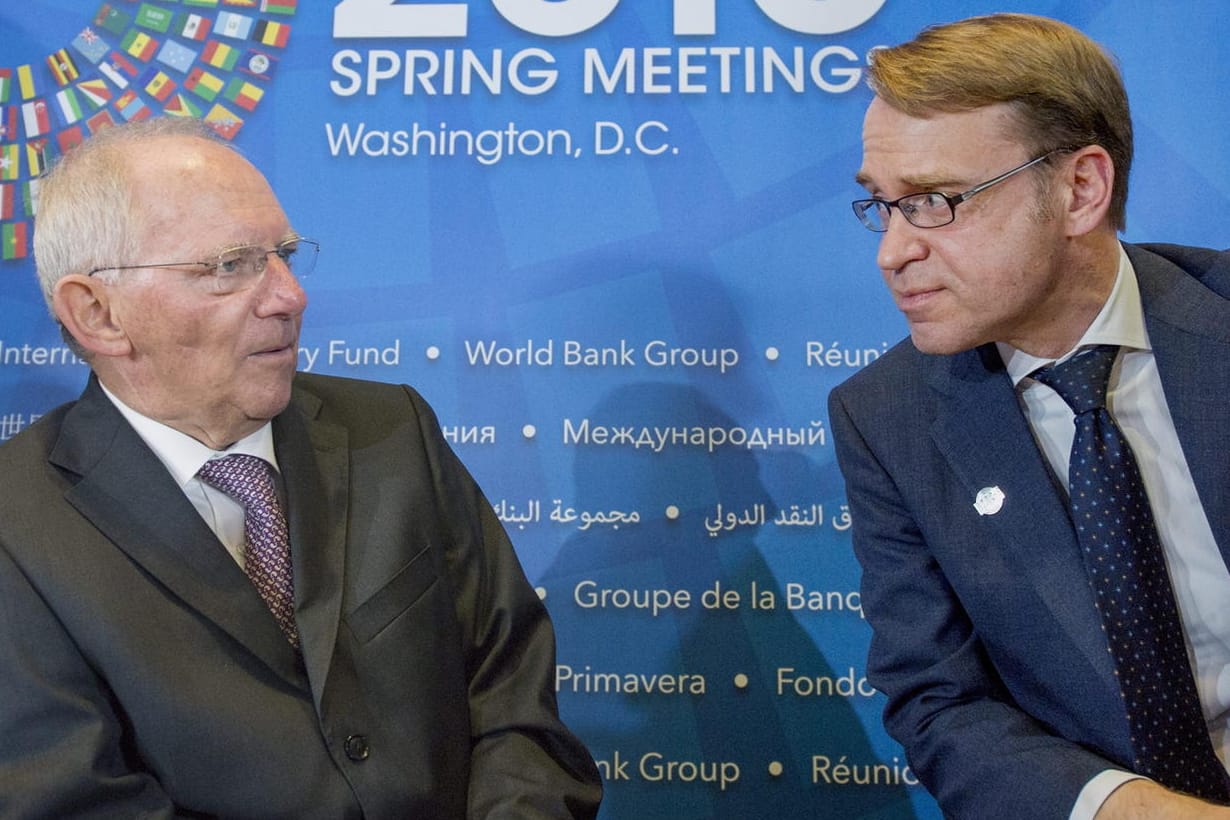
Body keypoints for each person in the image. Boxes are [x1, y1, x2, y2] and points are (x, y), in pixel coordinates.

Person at [0, 117, 602, 819]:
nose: (290, 296)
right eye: (229, 265)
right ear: (97, 313)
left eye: (283, 254)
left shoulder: (392, 432)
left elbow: (513, 697)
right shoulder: (18, 525)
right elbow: (72, 800)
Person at [829, 13, 1230, 820]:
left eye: (935, 202)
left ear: (1081, 188)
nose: (893, 252)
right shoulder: (887, 417)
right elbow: (940, 703)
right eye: (883, 205)